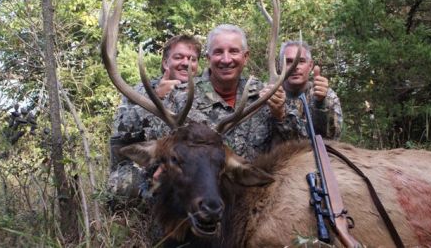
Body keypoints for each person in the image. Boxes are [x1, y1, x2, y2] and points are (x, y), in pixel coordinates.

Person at [168, 24, 305, 160]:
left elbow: (300, 149)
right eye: (218, 52)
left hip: (257, 180)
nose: (226, 60)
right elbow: (159, 155)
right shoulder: (179, 98)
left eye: (233, 51)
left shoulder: (267, 95)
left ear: (245, 57)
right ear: (208, 58)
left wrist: (280, 115)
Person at [108, 34, 202, 201]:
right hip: (144, 165)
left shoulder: (202, 94)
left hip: (184, 164)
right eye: (178, 57)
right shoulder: (140, 91)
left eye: (192, 59)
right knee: (123, 186)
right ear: (165, 62)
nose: (186, 63)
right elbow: (121, 132)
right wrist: (157, 96)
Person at [276, 40, 343, 140]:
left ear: (310, 65)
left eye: (301, 61)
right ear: (280, 66)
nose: (295, 67)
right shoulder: (269, 96)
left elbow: (332, 138)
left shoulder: (327, 95)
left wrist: (321, 103)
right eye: (289, 62)